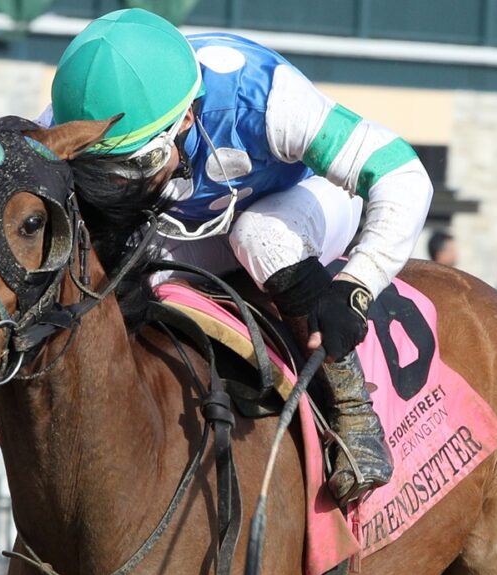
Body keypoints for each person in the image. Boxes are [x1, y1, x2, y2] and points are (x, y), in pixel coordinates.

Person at [48, 9, 433, 502]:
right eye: (106, 170)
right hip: (186, 222)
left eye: (139, 163)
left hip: (303, 202)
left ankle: (352, 410)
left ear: (187, 115)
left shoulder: (267, 99)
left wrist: (359, 281)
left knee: (259, 235)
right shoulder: (63, 121)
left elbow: (400, 171)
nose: (126, 184)